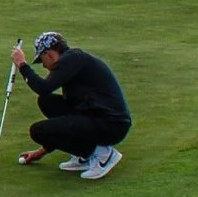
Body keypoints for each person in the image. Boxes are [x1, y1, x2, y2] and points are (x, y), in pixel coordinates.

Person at [12, 31, 130, 180]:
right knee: (46, 101)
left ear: (49, 54)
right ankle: (86, 154)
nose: (43, 65)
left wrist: (22, 65)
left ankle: (102, 154)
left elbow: (43, 87)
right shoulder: (72, 61)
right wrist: (41, 152)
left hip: (111, 124)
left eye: (42, 60)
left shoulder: (72, 59)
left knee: (37, 131)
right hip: (97, 116)